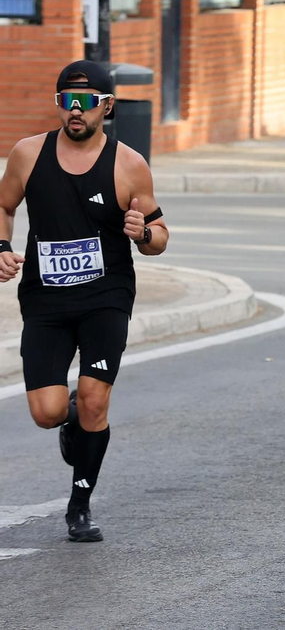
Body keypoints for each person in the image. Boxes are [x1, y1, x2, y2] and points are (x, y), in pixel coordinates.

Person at [0, 60, 169, 543]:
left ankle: (79, 505)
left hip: (105, 296)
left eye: (86, 102)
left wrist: (145, 235)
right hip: (45, 299)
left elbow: (160, 232)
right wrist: (1, 248)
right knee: (47, 412)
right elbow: (4, 205)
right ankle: (71, 413)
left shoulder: (128, 164)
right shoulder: (28, 154)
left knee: (97, 399)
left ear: (107, 106)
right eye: (67, 102)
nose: (75, 111)